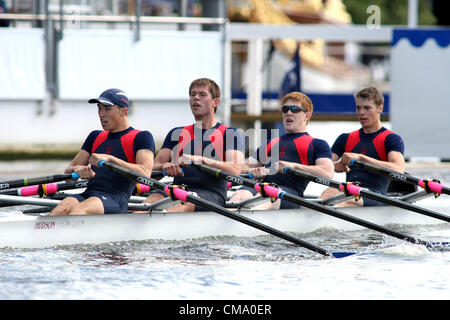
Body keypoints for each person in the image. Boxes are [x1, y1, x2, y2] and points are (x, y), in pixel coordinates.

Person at [143, 78, 244, 212]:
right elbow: (150, 169)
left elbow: (236, 170)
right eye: (192, 94)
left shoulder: (230, 133)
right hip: (177, 191)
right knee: (149, 202)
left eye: (202, 94)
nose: (196, 98)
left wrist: (200, 160)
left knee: (181, 204)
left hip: (211, 195)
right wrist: (165, 166)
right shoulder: (176, 133)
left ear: (216, 102)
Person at [50, 88, 155, 215]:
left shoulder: (141, 137)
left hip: (115, 198)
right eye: (99, 108)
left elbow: (145, 173)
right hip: (88, 194)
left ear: (123, 111)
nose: (101, 114)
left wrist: (111, 159)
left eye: (107, 109)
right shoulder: (95, 136)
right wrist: (77, 169)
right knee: (61, 209)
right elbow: (68, 174)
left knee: (78, 210)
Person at [229, 91, 334, 210]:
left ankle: (244, 222)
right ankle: (227, 221)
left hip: (290, 194)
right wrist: (254, 171)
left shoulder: (317, 144)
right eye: (285, 109)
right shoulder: (270, 143)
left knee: (266, 197)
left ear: (307, 115)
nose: (289, 112)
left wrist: (293, 166)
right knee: (240, 194)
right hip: (262, 187)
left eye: (295, 109)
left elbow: (328, 173)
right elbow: (242, 168)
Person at [320, 86, 405, 207]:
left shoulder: (391, 139)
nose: (361, 112)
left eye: (367, 108)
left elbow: (399, 170)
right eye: (358, 107)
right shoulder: (345, 138)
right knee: (327, 193)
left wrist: (361, 158)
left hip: (375, 195)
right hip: (349, 190)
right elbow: (321, 167)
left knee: (347, 200)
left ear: (380, 108)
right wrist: (332, 166)